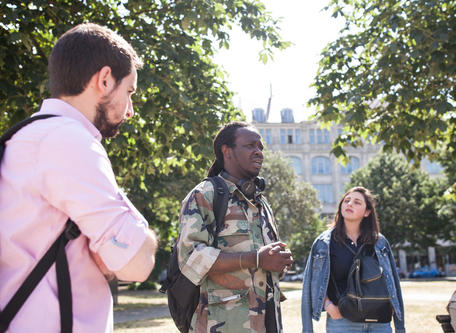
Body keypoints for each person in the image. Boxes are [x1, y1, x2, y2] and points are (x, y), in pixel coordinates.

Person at [0, 23, 157, 332]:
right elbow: (138, 264)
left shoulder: (20, 139)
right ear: (105, 79)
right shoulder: (69, 140)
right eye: (129, 92)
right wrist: (144, 240)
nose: (130, 111)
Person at [176, 121, 293, 333]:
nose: (259, 152)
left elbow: (264, 264)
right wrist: (256, 258)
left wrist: (278, 262)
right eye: (250, 146)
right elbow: (191, 259)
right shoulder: (205, 195)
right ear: (227, 151)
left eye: (261, 147)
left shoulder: (261, 203)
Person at [301, 186, 405, 333]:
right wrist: (328, 305)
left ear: (367, 212)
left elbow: (393, 281)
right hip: (342, 321)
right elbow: (312, 282)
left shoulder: (379, 242)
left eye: (357, 202)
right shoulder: (324, 243)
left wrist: (399, 324)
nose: (349, 204)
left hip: (379, 321)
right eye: (347, 200)